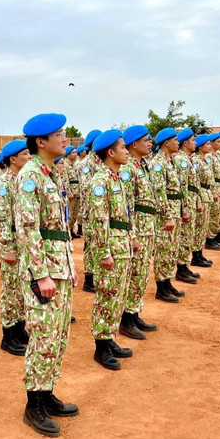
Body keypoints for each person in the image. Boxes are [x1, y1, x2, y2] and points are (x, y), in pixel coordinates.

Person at [14, 113, 79, 438]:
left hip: (59, 268)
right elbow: (28, 229)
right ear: (41, 142)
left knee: (59, 336)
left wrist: (69, 267)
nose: (65, 139)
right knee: (44, 336)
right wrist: (41, 275)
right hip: (45, 273)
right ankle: (33, 404)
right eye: (60, 134)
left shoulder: (51, 174)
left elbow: (59, 228)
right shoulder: (30, 177)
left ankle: (47, 390)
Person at [87, 129, 135, 370]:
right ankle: (101, 346)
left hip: (122, 243)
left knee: (119, 295)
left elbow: (125, 213)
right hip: (111, 248)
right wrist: (104, 252)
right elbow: (98, 220)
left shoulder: (117, 177)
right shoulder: (100, 181)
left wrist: (133, 236)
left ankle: (110, 337)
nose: (127, 151)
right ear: (110, 152)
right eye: (123, 148)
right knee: (107, 296)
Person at [119, 125, 159, 339]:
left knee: (142, 273)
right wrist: (132, 234)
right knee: (135, 274)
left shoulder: (142, 165)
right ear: (134, 145)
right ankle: (126, 319)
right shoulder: (128, 169)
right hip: (138, 229)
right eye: (146, 141)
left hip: (147, 227)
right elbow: (127, 205)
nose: (150, 143)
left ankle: (134, 313)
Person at [0, 139, 31, 356]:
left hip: (24, 243)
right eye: (25, 154)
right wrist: (7, 247)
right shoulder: (4, 184)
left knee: (21, 289)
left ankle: (19, 329)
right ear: (13, 159)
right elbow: (3, 219)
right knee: (11, 290)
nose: (29, 157)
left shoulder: (23, 179)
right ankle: (8, 335)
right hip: (12, 243)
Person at [150, 127, 190, 303]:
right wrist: (167, 215)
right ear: (166, 143)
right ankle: (161, 286)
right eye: (175, 140)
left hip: (175, 210)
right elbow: (159, 192)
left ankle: (168, 281)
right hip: (165, 213)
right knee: (164, 249)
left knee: (172, 248)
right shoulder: (158, 164)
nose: (178, 143)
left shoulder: (170, 161)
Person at [173, 129, 201, 284]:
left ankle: (184, 266)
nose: (195, 143)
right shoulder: (181, 160)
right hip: (185, 204)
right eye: (193, 140)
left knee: (188, 235)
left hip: (189, 202)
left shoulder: (187, 159)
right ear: (186, 143)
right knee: (184, 236)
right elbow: (182, 186)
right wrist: (185, 208)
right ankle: (181, 268)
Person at [79, 129, 103, 293]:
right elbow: (87, 189)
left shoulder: (100, 162)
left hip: (100, 211)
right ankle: (89, 279)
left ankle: (96, 275)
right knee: (90, 244)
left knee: (99, 242)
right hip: (90, 211)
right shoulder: (86, 164)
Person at [191, 134, 216, 267]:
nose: (210, 146)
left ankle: (200, 253)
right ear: (200, 147)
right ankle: (195, 256)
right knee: (199, 226)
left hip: (206, 194)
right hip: (201, 194)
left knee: (203, 226)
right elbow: (196, 182)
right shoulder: (195, 161)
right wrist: (198, 199)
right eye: (207, 144)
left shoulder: (203, 160)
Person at [64, 146, 80, 239]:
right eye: (73, 153)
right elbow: (66, 179)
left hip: (77, 191)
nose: (75, 154)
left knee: (75, 213)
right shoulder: (65, 164)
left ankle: (71, 229)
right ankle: (67, 230)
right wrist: (68, 192)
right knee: (70, 213)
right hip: (71, 192)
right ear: (68, 154)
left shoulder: (73, 164)